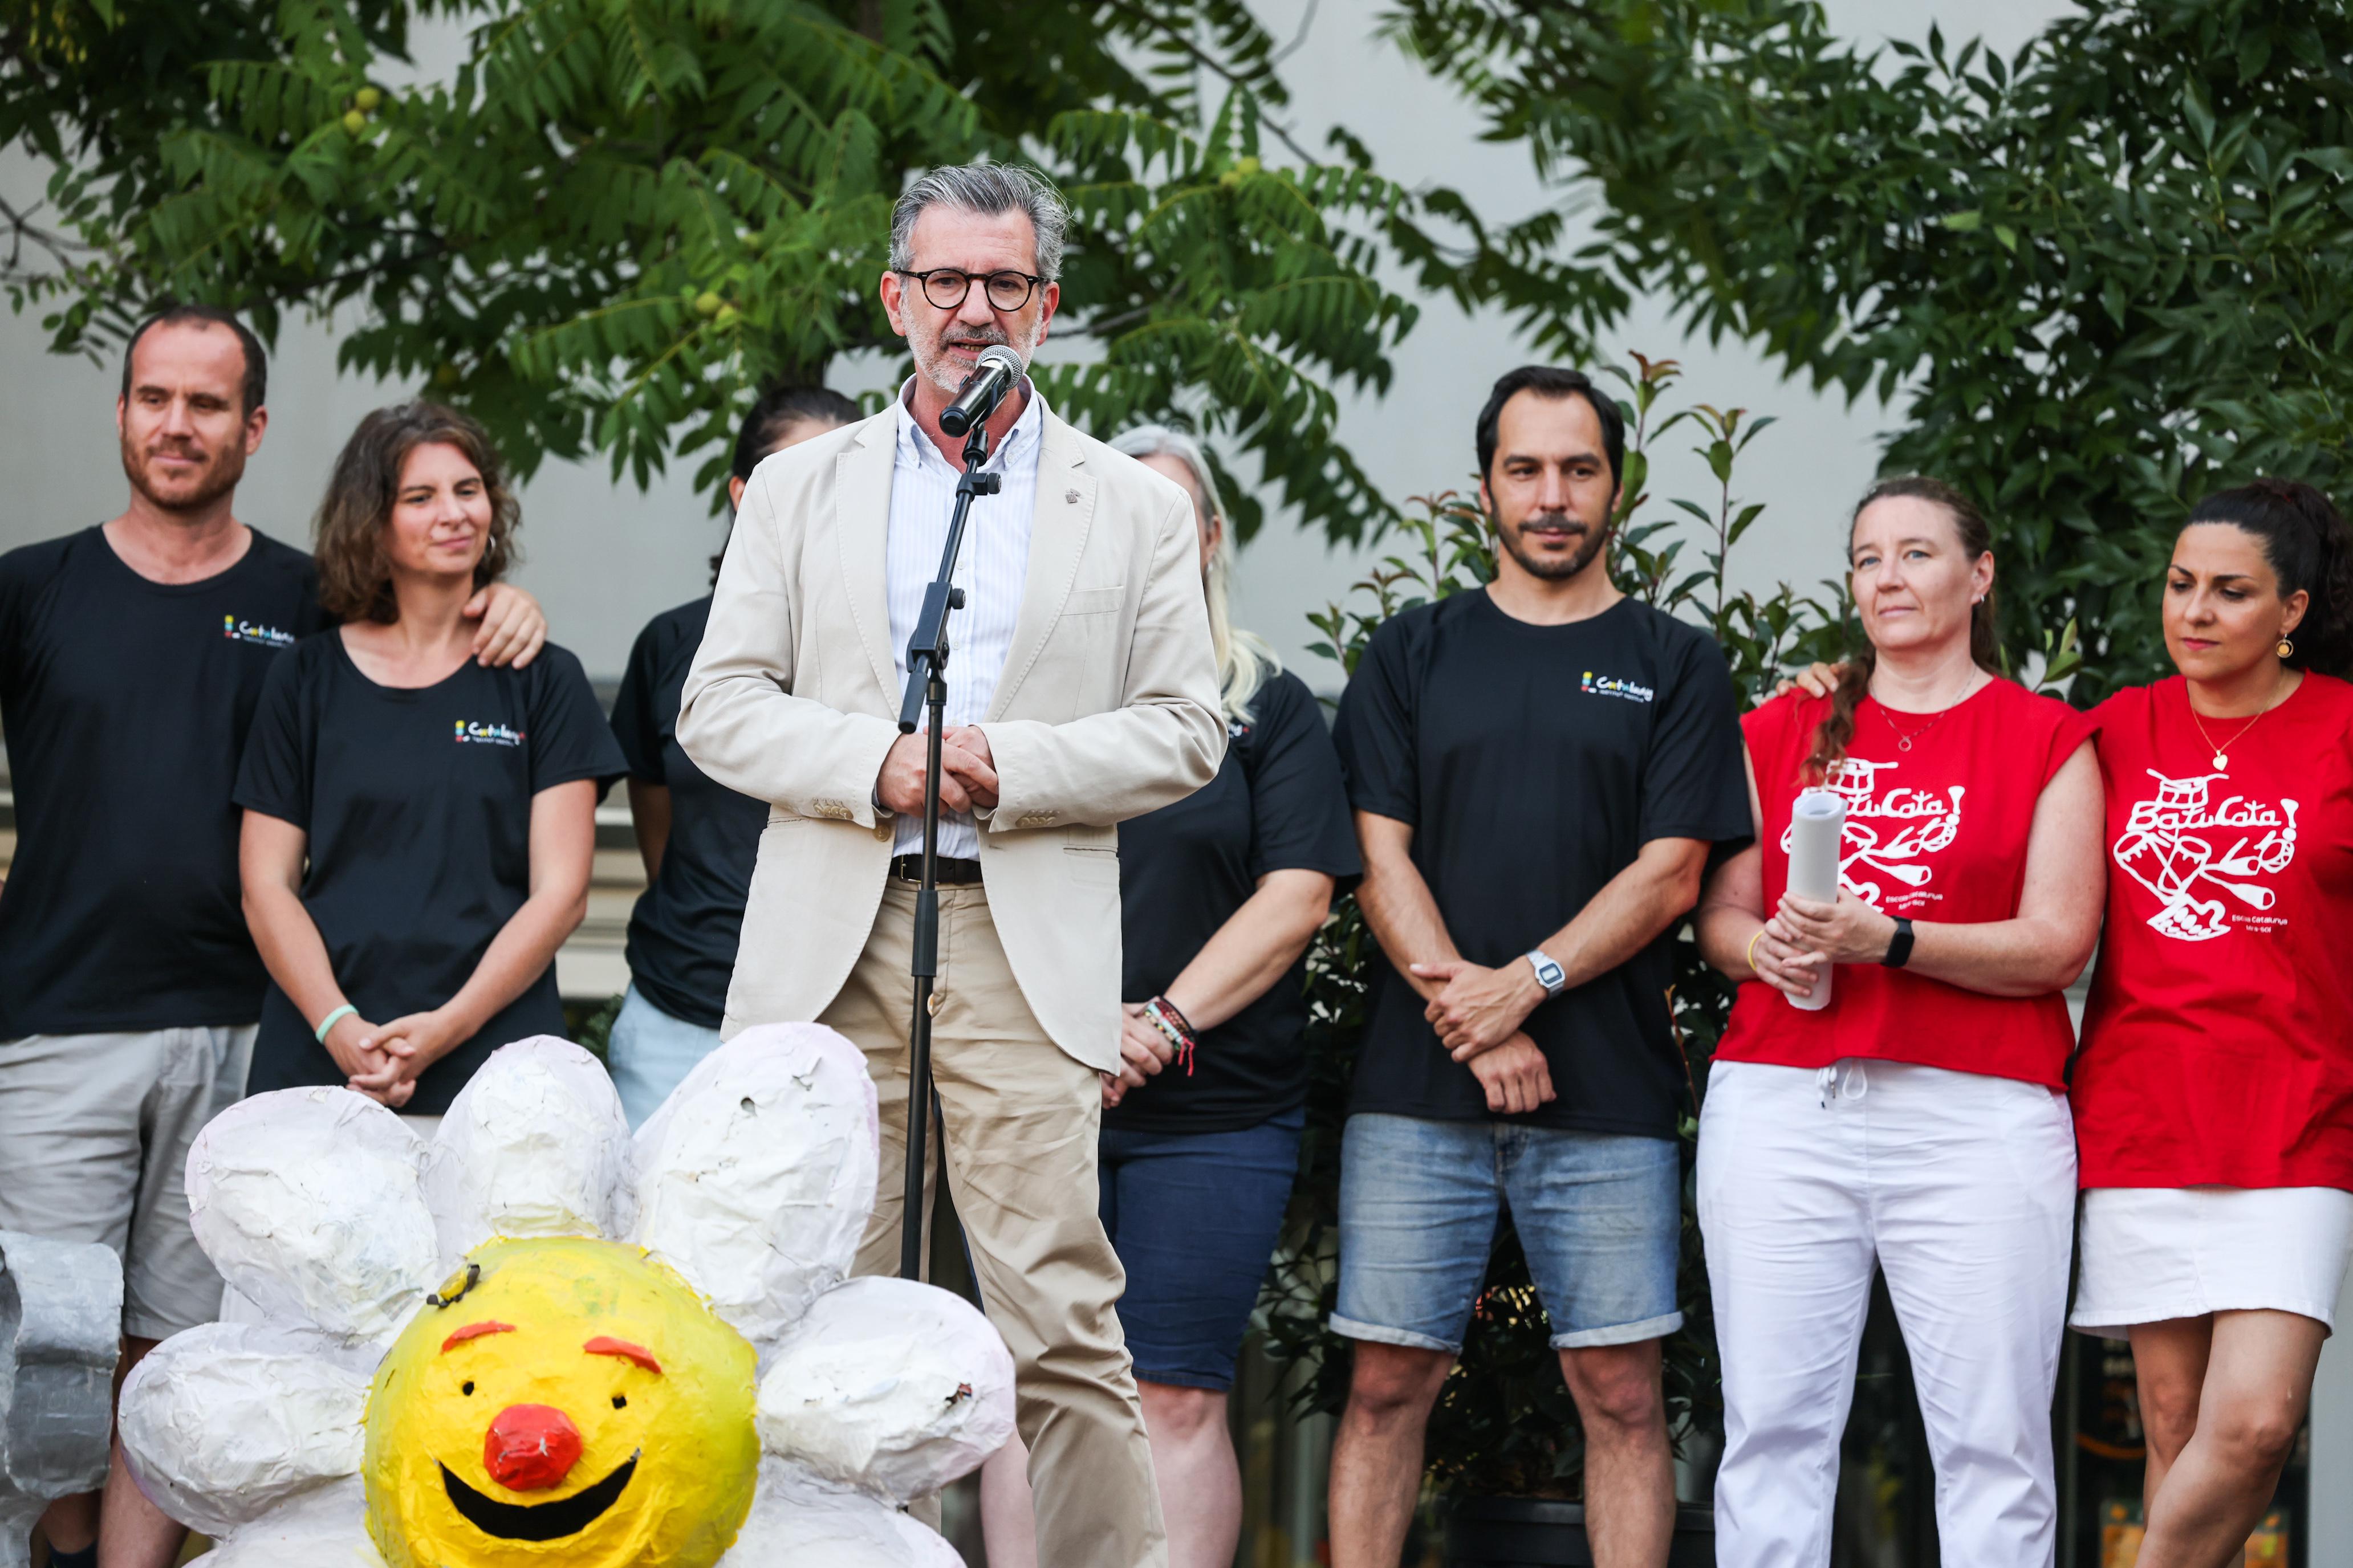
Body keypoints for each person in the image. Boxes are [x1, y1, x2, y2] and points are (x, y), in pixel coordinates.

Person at [676, 163, 1224, 1568]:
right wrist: (877, 761)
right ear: (893, 299)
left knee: (1055, 1309)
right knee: (823, 1309)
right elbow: (719, 705)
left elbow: (1183, 731)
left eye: (1002, 285)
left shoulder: (1135, 507)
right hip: (833, 931)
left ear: (1047, 307)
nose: (970, 311)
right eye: (942, 283)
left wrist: (1003, 766)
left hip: (1015, 932)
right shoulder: (800, 490)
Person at [0, 308, 543, 1568]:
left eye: (205, 404)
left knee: (189, 1344)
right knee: (43, 1336)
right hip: (57, 1019)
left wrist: (503, 602)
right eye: (153, 398)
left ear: (252, 428)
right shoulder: (34, 587)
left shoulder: (308, 602)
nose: (175, 424)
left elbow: (427, 631)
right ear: (123, 413)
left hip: (259, 1030)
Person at [1325, 365, 1751, 1568]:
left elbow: (1671, 873)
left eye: (1576, 468)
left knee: (1618, 1391)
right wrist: (1477, 1008)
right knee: (1385, 1383)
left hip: (1606, 1092)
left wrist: (1527, 985)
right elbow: (1372, 853)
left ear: (1617, 484)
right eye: (1524, 470)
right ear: (1483, 492)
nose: (1550, 495)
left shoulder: (1673, 660)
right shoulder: (1413, 649)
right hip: (1416, 1088)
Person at [1692, 476, 2103, 1568]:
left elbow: (2059, 942)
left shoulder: (2046, 737)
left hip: (1979, 1114)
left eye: (1917, 554)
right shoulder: (1780, 727)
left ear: (1977, 577)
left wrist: (1896, 940)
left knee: (1993, 1444)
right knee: (1771, 1432)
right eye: (1868, 557)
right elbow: (1720, 917)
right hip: (1782, 1100)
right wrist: (1759, 949)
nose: (1888, 577)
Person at [976, 425, 1360, 1568]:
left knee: (1175, 1389)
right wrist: (1078, 1027)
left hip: (1213, 1107)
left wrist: (1158, 1023)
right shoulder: (1015, 696)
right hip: (1035, 1088)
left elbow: (1295, 895)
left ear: (1206, 539)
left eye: (1171, 514)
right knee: (1026, 1388)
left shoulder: (1266, 706)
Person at [2068, 479, 2353, 1568]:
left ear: (2291, 609)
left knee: (2253, 1426)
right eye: (2180, 585)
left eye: (2230, 592)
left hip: (2300, 1113)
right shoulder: (2110, 730)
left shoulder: (2338, 725)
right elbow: (1975, 764)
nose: (2193, 611)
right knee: (2176, 1427)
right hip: (2145, 1113)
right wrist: (1851, 688)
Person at [235, 402, 623, 1122]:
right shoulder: (304, 679)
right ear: (372, 522)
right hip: (322, 1062)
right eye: (420, 497)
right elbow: (266, 885)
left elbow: (561, 894)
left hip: (493, 1067)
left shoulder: (544, 678)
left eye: (467, 490)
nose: (453, 513)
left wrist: (448, 1028)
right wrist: (339, 1029)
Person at [605, 385, 860, 1127]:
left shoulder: (898, 658)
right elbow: (663, 828)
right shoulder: (672, 644)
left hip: (839, 1023)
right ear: (743, 493)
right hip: (678, 1015)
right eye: (793, 477)